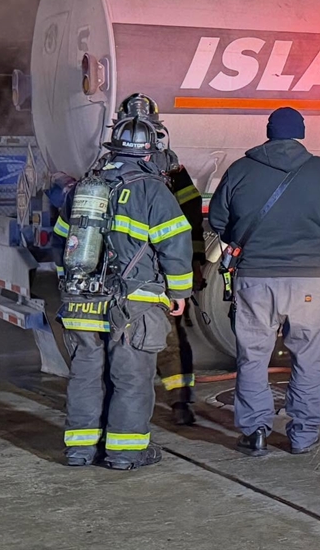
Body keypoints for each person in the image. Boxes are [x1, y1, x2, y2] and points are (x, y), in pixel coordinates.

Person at [208, 107, 320, 456]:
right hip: (310, 283)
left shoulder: (241, 169)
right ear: (300, 133)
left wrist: (244, 244)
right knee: (307, 359)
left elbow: (218, 219)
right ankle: (304, 436)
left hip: (256, 281)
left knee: (253, 357)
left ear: (268, 132)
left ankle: (255, 432)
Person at [53, 111, 193, 470]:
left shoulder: (86, 188)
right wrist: (179, 293)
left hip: (82, 300)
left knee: (85, 375)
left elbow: (61, 244)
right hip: (133, 304)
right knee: (130, 378)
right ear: (149, 152)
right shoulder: (152, 190)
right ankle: (124, 453)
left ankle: (80, 450)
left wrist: (68, 288)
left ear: (113, 148)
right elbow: (175, 245)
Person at [114, 94, 206, 426]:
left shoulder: (111, 165)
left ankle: (129, 410)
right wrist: (189, 262)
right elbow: (190, 212)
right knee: (170, 339)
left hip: (124, 272)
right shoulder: (169, 166)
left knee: (121, 339)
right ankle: (179, 403)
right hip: (160, 270)